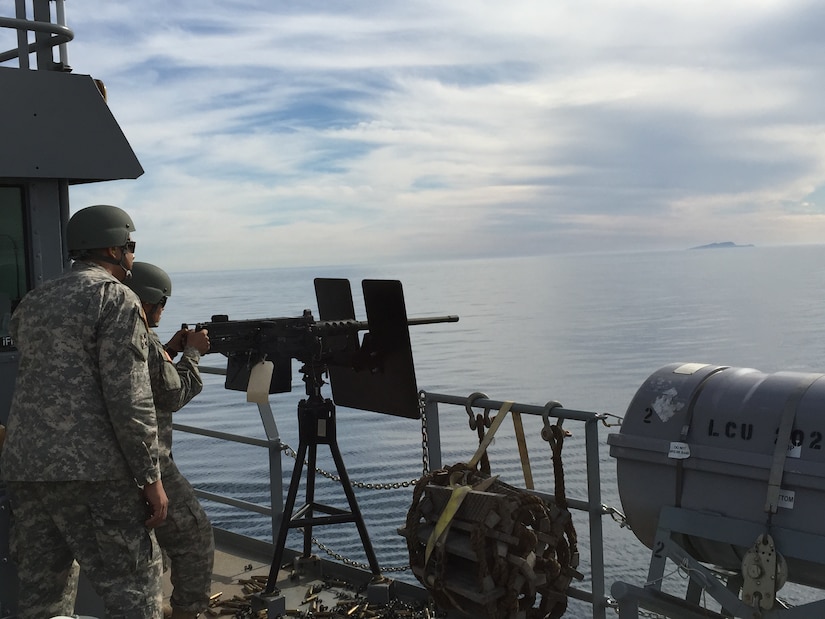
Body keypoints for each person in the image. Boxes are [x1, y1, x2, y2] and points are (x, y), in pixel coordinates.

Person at [0, 204, 167, 618]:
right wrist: (150, 478)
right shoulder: (116, 298)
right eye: (130, 246)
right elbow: (129, 398)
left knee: (43, 597)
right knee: (135, 589)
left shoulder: (34, 301)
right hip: (95, 474)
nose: (132, 256)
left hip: (28, 470)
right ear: (112, 248)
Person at [126, 262, 214, 619]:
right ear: (150, 302)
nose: (164, 310)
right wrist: (193, 354)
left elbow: (149, 375)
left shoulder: (125, 333)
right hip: (150, 462)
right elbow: (171, 395)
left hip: (119, 459)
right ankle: (187, 613)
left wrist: (170, 350)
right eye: (162, 303)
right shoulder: (143, 338)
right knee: (195, 536)